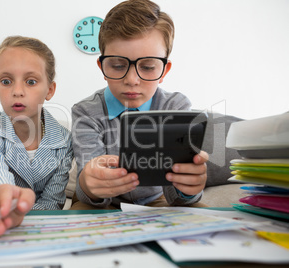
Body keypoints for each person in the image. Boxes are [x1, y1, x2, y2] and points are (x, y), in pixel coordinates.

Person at [71, 0, 209, 209]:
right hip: (105, 203)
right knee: (81, 211)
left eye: (147, 67)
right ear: (102, 66)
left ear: (164, 70)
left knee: (199, 212)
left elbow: (177, 197)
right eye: (118, 66)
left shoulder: (176, 106)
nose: (132, 80)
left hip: (156, 199)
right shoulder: (86, 112)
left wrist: (189, 189)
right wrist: (88, 184)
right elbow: (87, 191)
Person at [0, 36, 73, 235]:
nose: (17, 91)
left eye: (30, 81)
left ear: (50, 90)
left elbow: (51, 203)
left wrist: (20, 216)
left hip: (34, 229)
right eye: (6, 81)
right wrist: (4, 194)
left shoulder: (65, 141)